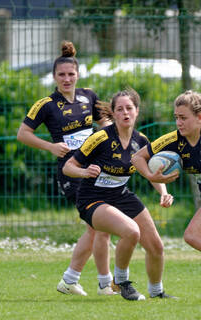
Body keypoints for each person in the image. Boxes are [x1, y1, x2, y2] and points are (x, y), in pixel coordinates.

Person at [17, 41, 117, 296]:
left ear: (78, 74)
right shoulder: (46, 104)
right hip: (71, 172)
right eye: (61, 74)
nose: (66, 78)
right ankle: (97, 283)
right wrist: (50, 147)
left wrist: (110, 136)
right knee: (98, 226)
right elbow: (23, 134)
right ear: (54, 77)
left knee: (97, 228)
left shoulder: (89, 96)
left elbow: (105, 123)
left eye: (71, 74)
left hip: (95, 168)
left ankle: (78, 281)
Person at [62, 88, 175, 300]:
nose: (125, 113)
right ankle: (120, 282)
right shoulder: (100, 138)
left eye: (129, 108)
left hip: (120, 195)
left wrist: (163, 191)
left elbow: (151, 173)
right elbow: (68, 167)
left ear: (137, 111)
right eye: (120, 109)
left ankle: (157, 292)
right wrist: (84, 171)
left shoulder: (140, 141)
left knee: (156, 246)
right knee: (131, 231)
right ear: (113, 113)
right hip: (92, 198)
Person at [131, 90, 201, 252]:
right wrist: (151, 176)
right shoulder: (174, 140)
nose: (178, 123)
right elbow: (137, 158)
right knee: (192, 236)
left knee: (192, 235)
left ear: (199, 117)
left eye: (183, 118)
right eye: (176, 117)